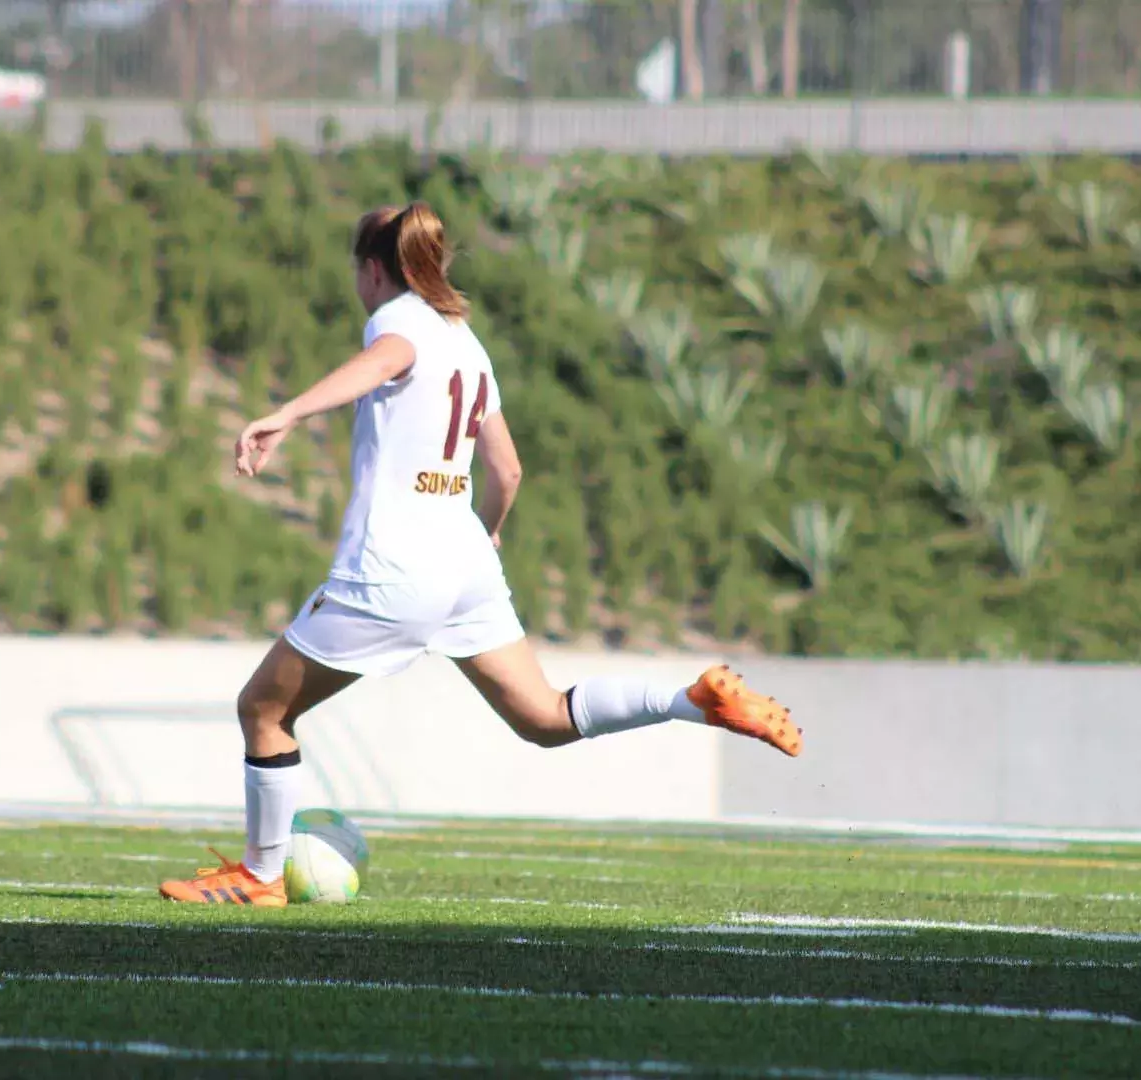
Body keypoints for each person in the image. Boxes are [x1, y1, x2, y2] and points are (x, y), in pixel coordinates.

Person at [159, 203, 802, 908]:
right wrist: (484, 534)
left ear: (373, 270)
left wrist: (287, 412)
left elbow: (381, 364)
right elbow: (509, 470)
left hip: (393, 569)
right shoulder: (465, 340)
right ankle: (689, 701)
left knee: (263, 709)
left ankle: (258, 877)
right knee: (545, 717)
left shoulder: (396, 321)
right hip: (463, 562)